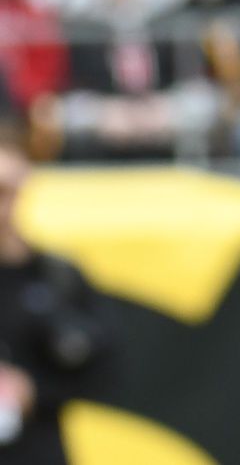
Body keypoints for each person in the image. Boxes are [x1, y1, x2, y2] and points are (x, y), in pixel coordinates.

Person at [0, 121, 112, 464]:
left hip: (37, 448)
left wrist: (33, 390)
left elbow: (103, 368)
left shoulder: (56, 276)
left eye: (7, 191)